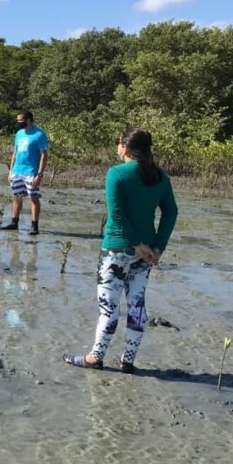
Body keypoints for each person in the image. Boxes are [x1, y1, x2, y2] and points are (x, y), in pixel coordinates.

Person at [63, 128, 178, 373]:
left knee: (109, 307)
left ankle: (96, 357)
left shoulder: (116, 173)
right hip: (146, 253)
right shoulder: (160, 176)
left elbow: (117, 215)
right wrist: (157, 246)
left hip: (117, 249)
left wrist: (136, 243)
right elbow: (171, 213)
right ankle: (128, 361)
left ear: (125, 147)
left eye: (118, 143)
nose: (117, 147)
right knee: (136, 305)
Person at [1, 110, 49, 235]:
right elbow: (15, 153)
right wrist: (10, 171)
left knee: (34, 198)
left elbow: (44, 155)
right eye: (17, 120)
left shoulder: (39, 134)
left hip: (31, 172)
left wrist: (39, 174)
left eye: (20, 120)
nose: (18, 123)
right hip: (17, 171)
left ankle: (34, 226)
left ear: (28, 120)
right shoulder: (19, 134)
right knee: (17, 197)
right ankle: (14, 222)